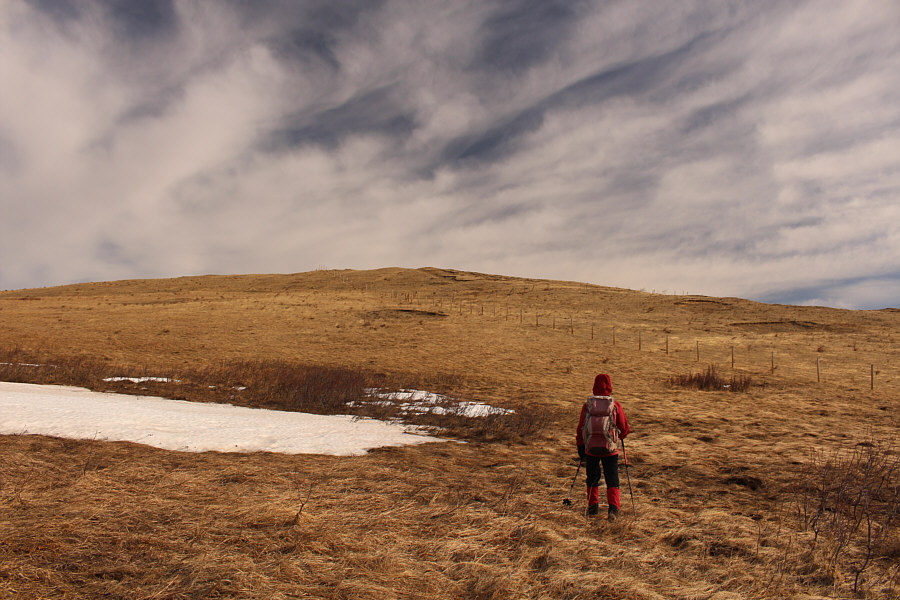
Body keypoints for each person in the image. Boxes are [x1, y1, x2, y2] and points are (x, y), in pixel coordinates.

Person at [576, 373, 630, 520]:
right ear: (610, 386)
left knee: (592, 478)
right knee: (612, 478)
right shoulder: (615, 405)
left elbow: (581, 427)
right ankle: (613, 509)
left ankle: (593, 508)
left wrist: (581, 448)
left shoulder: (587, 405)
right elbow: (624, 428)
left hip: (591, 449)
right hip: (610, 449)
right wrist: (622, 435)